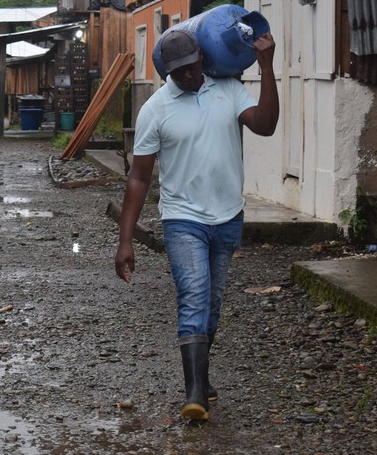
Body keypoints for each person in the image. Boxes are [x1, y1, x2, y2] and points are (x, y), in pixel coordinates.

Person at [114, 27, 279, 421]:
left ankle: (201, 379)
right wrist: (125, 240)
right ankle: (195, 394)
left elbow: (265, 125)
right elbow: (139, 177)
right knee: (193, 298)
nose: (186, 77)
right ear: (167, 72)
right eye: (177, 72)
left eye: (190, 68)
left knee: (212, 307)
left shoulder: (229, 89)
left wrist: (268, 67)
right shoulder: (156, 108)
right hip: (182, 219)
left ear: (202, 59)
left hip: (227, 218)